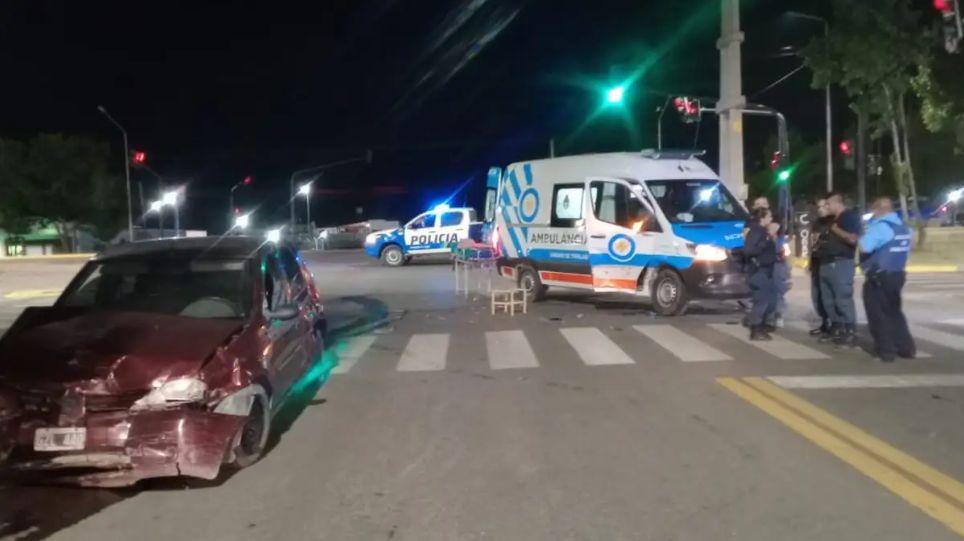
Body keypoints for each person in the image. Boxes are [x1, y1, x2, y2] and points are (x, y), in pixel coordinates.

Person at [859, 197, 916, 362]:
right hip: (898, 274)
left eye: (873, 211)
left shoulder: (880, 227)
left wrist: (864, 233)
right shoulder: (904, 228)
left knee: (878, 314)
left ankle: (886, 351)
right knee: (894, 312)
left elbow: (864, 247)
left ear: (878, 210)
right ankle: (906, 348)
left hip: (879, 276)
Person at [820, 193, 861, 348]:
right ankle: (837, 327)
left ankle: (850, 332)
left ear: (837, 203)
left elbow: (852, 238)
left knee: (842, 298)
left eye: (828, 204)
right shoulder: (830, 219)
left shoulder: (848, 217)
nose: (826, 207)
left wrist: (835, 229)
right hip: (827, 261)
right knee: (828, 299)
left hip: (841, 261)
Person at [744, 197, 789, 328]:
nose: (762, 206)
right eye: (758, 204)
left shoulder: (772, 221)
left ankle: (772, 317)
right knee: (761, 296)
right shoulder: (755, 227)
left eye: (764, 204)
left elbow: (775, 232)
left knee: (775, 291)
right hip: (760, 266)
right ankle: (758, 324)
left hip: (775, 261)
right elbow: (749, 246)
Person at [743, 206, 781, 340]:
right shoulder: (757, 231)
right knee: (761, 301)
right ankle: (756, 329)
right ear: (762, 218)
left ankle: (762, 326)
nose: (771, 219)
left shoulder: (762, 231)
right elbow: (748, 250)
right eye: (769, 217)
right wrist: (766, 241)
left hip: (766, 270)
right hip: (759, 271)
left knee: (767, 299)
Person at [808, 198, 834, 337]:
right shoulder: (817, 223)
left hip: (828, 263)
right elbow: (813, 243)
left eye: (823, 206)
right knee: (817, 295)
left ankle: (835, 325)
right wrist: (810, 262)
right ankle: (824, 322)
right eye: (818, 207)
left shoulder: (833, 222)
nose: (820, 209)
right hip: (816, 262)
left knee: (829, 295)